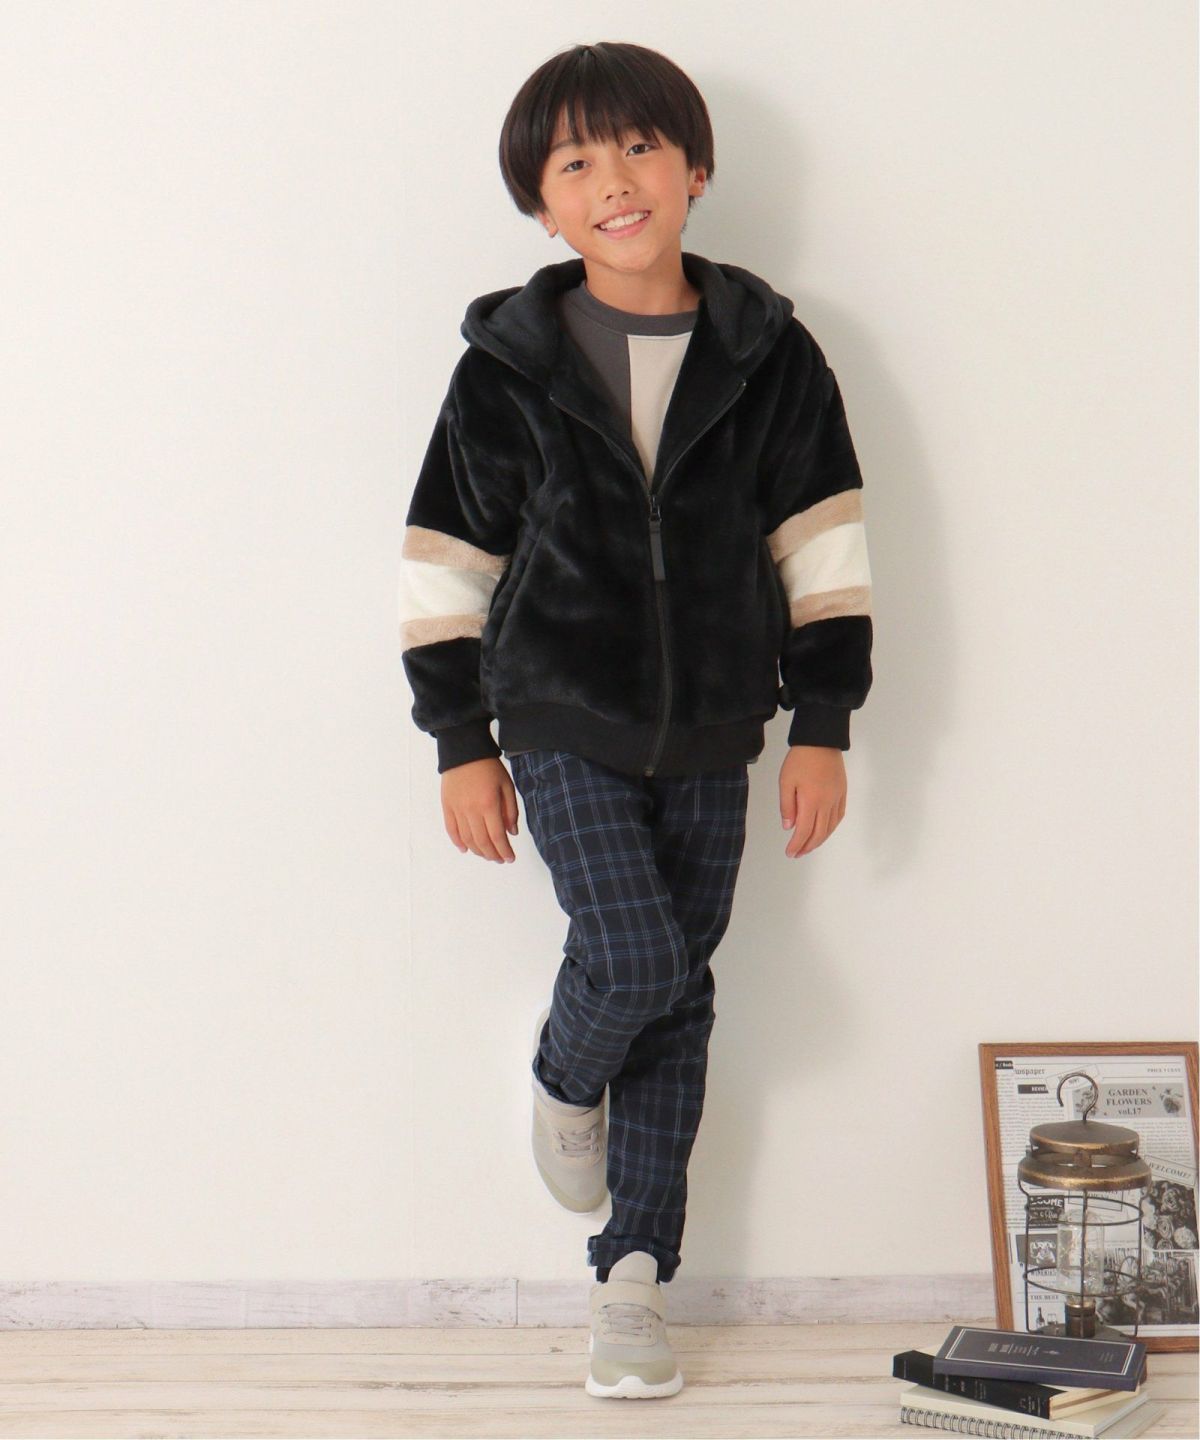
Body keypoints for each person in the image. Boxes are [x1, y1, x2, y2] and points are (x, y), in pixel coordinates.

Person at [398, 39, 874, 1399]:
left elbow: (824, 547)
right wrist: (460, 741)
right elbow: (446, 560)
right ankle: (566, 1074)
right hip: (558, 712)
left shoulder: (770, 356)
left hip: (720, 724)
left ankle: (635, 1280)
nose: (614, 180)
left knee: (680, 998)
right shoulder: (508, 367)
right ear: (543, 206)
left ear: (695, 168)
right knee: (640, 957)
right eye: (575, 162)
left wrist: (824, 720)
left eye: (640, 148)